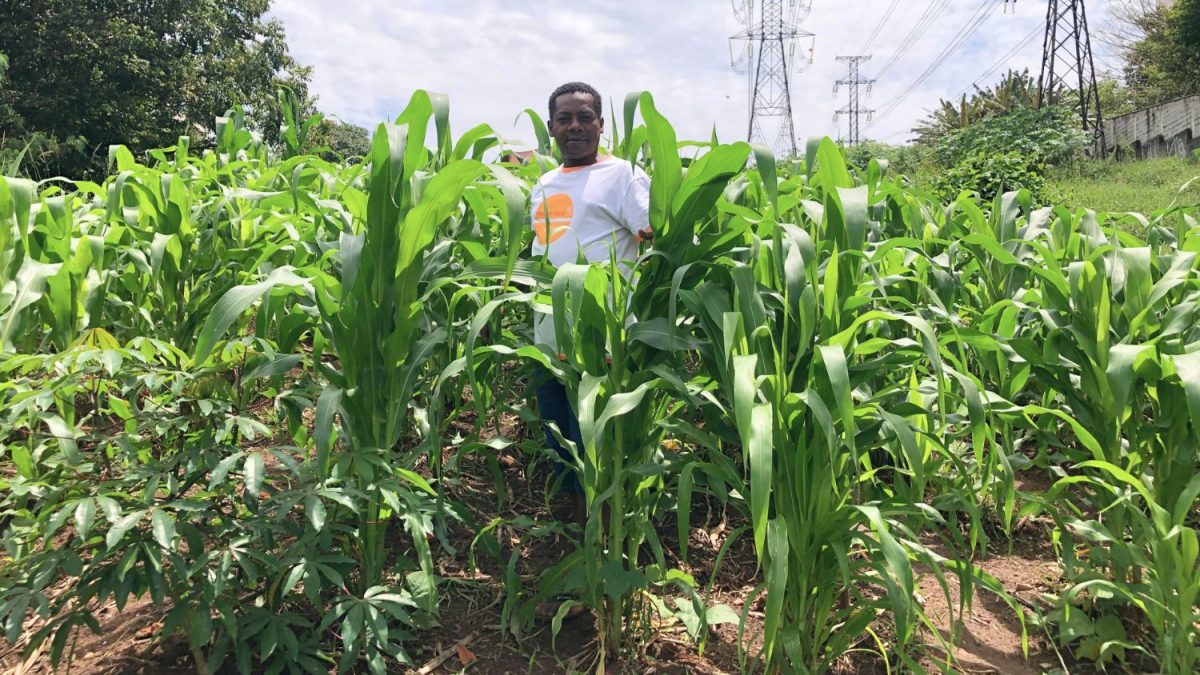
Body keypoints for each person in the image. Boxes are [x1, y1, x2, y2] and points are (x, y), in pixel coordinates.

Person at [529, 81, 652, 522]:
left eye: (585, 117)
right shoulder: (542, 183)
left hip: (603, 336)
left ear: (601, 125)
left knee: (597, 440)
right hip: (548, 335)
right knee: (560, 438)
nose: (575, 127)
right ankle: (575, 534)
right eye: (565, 118)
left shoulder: (623, 175)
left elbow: (655, 237)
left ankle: (603, 537)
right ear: (551, 128)